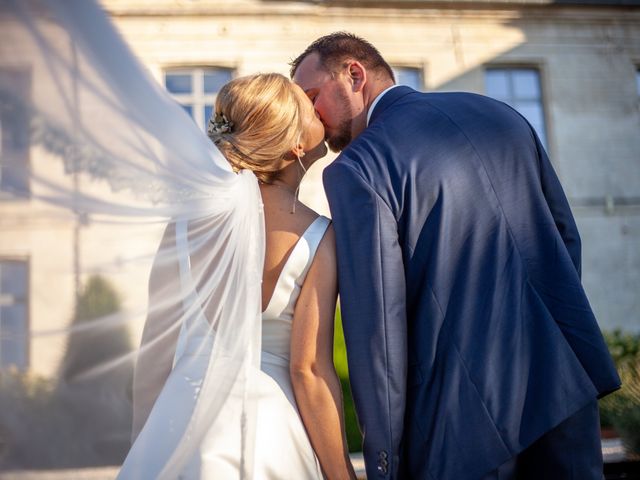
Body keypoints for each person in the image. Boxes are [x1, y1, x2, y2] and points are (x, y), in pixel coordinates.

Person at [291, 32, 621, 480]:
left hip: (460, 425)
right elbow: (564, 237)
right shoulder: (501, 115)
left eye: (312, 97)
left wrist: (384, 461)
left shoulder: (358, 167)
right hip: (564, 389)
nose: (311, 116)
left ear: (354, 74)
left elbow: (378, 328)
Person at [118, 73, 356, 479]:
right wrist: (342, 473)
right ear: (296, 144)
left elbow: (155, 354)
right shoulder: (319, 236)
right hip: (270, 433)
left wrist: (146, 444)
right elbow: (309, 371)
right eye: (308, 107)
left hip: (180, 425)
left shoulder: (183, 227)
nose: (319, 111)